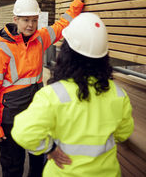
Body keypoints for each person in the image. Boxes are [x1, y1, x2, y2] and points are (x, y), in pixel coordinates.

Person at [11, 12, 134, 177]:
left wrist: (50, 149)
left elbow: (23, 131)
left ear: (67, 53)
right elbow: (123, 133)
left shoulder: (53, 95)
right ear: (104, 56)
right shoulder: (119, 95)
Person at [0, 0, 87, 177]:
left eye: (34, 20)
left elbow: (63, 25)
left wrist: (78, 3)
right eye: (25, 20)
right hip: (9, 120)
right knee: (13, 167)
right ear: (15, 20)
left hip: (36, 112)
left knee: (38, 164)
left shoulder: (40, 39)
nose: (30, 25)